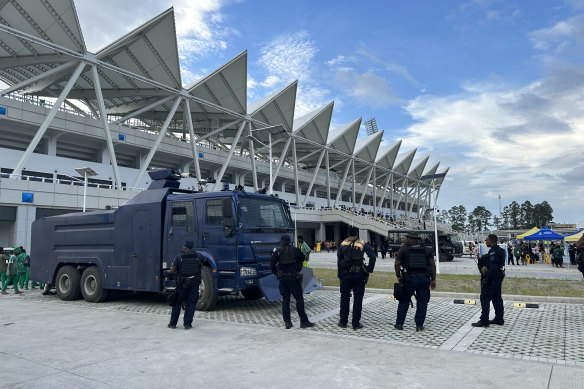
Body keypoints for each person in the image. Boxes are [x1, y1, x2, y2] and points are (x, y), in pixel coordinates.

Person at [394, 231, 436, 331]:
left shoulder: (404, 248)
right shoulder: (427, 249)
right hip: (424, 279)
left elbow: (397, 264)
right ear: (418, 239)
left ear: (409, 238)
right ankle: (419, 325)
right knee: (422, 302)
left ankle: (399, 324)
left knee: (404, 300)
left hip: (409, 279)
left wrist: (398, 276)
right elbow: (432, 265)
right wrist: (433, 279)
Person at [271, 235, 314, 329]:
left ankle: (287, 322)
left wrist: (277, 273)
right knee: (299, 299)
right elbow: (302, 258)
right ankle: (303, 321)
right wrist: (297, 268)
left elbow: (272, 264)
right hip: (293, 277)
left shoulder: (277, 251)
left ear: (281, 241)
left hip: (282, 278)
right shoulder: (295, 250)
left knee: (285, 299)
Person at [337, 226, 376, 330]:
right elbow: (373, 256)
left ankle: (343, 322)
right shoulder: (362, 243)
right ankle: (355, 323)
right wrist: (368, 269)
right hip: (359, 274)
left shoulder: (343, 244)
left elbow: (339, 261)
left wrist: (339, 275)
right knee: (358, 299)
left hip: (345, 275)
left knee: (344, 298)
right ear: (357, 234)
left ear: (348, 234)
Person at [472, 234, 505, 327]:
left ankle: (484, 320)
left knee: (485, 299)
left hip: (492, 280)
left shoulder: (493, 253)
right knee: (497, 299)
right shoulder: (500, 251)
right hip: (498, 279)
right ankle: (499, 319)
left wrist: (486, 280)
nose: (486, 242)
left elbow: (493, 268)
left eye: (487, 240)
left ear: (492, 241)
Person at [168, 241, 201, 330]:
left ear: (185, 248)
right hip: (194, 283)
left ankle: (173, 324)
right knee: (191, 304)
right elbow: (204, 261)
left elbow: (172, 270)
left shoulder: (179, 257)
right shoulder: (198, 256)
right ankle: (187, 324)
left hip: (182, 284)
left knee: (177, 303)